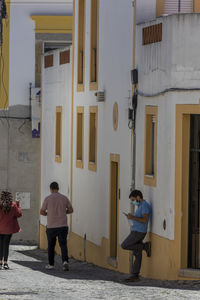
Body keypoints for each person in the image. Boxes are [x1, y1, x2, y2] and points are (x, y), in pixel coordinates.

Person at [40, 182, 73, 271]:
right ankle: (65, 262)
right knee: (63, 245)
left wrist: (48, 213)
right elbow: (71, 210)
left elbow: (42, 211)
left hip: (51, 226)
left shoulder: (47, 198)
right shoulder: (64, 198)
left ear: (51, 188)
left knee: (51, 245)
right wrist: (63, 212)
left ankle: (51, 264)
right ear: (58, 188)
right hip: (63, 225)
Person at [121, 190, 151, 282]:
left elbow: (144, 220)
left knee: (124, 245)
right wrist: (131, 217)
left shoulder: (144, 205)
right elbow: (140, 219)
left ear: (138, 197)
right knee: (137, 253)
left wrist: (133, 217)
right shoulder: (140, 206)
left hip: (138, 232)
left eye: (133, 199)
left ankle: (145, 246)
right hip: (136, 230)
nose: (133, 202)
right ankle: (135, 275)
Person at [0, 191, 22, 270]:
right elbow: (19, 214)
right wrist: (18, 205)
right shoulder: (13, 205)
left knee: (0, 245)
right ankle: (5, 263)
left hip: (0, 228)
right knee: (6, 245)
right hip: (9, 229)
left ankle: (0, 262)